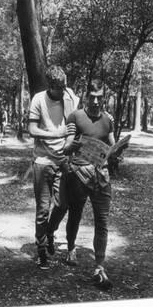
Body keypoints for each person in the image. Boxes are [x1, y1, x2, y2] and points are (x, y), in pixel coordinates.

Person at [59, 80, 124, 290]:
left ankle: (99, 266)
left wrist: (118, 152)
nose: (95, 101)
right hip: (79, 174)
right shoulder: (75, 116)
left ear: (104, 96)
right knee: (75, 213)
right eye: (92, 97)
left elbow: (111, 146)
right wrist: (73, 145)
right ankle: (70, 248)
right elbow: (66, 147)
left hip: (101, 177)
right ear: (86, 96)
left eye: (99, 97)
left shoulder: (108, 120)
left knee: (102, 221)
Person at [27, 65, 78, 270]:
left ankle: (49, 231)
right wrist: (56, 134)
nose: (63, 90)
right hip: (43, 161)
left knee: (64, 203)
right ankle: (41, 250)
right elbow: (31, 129)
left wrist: (69, 143)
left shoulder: (70, 96)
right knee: (42, 209)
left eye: (65, 85)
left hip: (63, 159)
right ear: (50, 86)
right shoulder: (39, 99)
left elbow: (73, 125)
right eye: (59, 87)